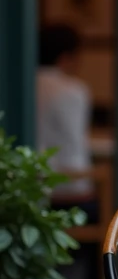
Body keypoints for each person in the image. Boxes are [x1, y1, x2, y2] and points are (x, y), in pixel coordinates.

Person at [36, 24, 93, 198]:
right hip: (67, 187)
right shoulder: (73, 91)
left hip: (30, 183)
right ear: (66, 57)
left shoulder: (20, 85)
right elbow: (75, 147)